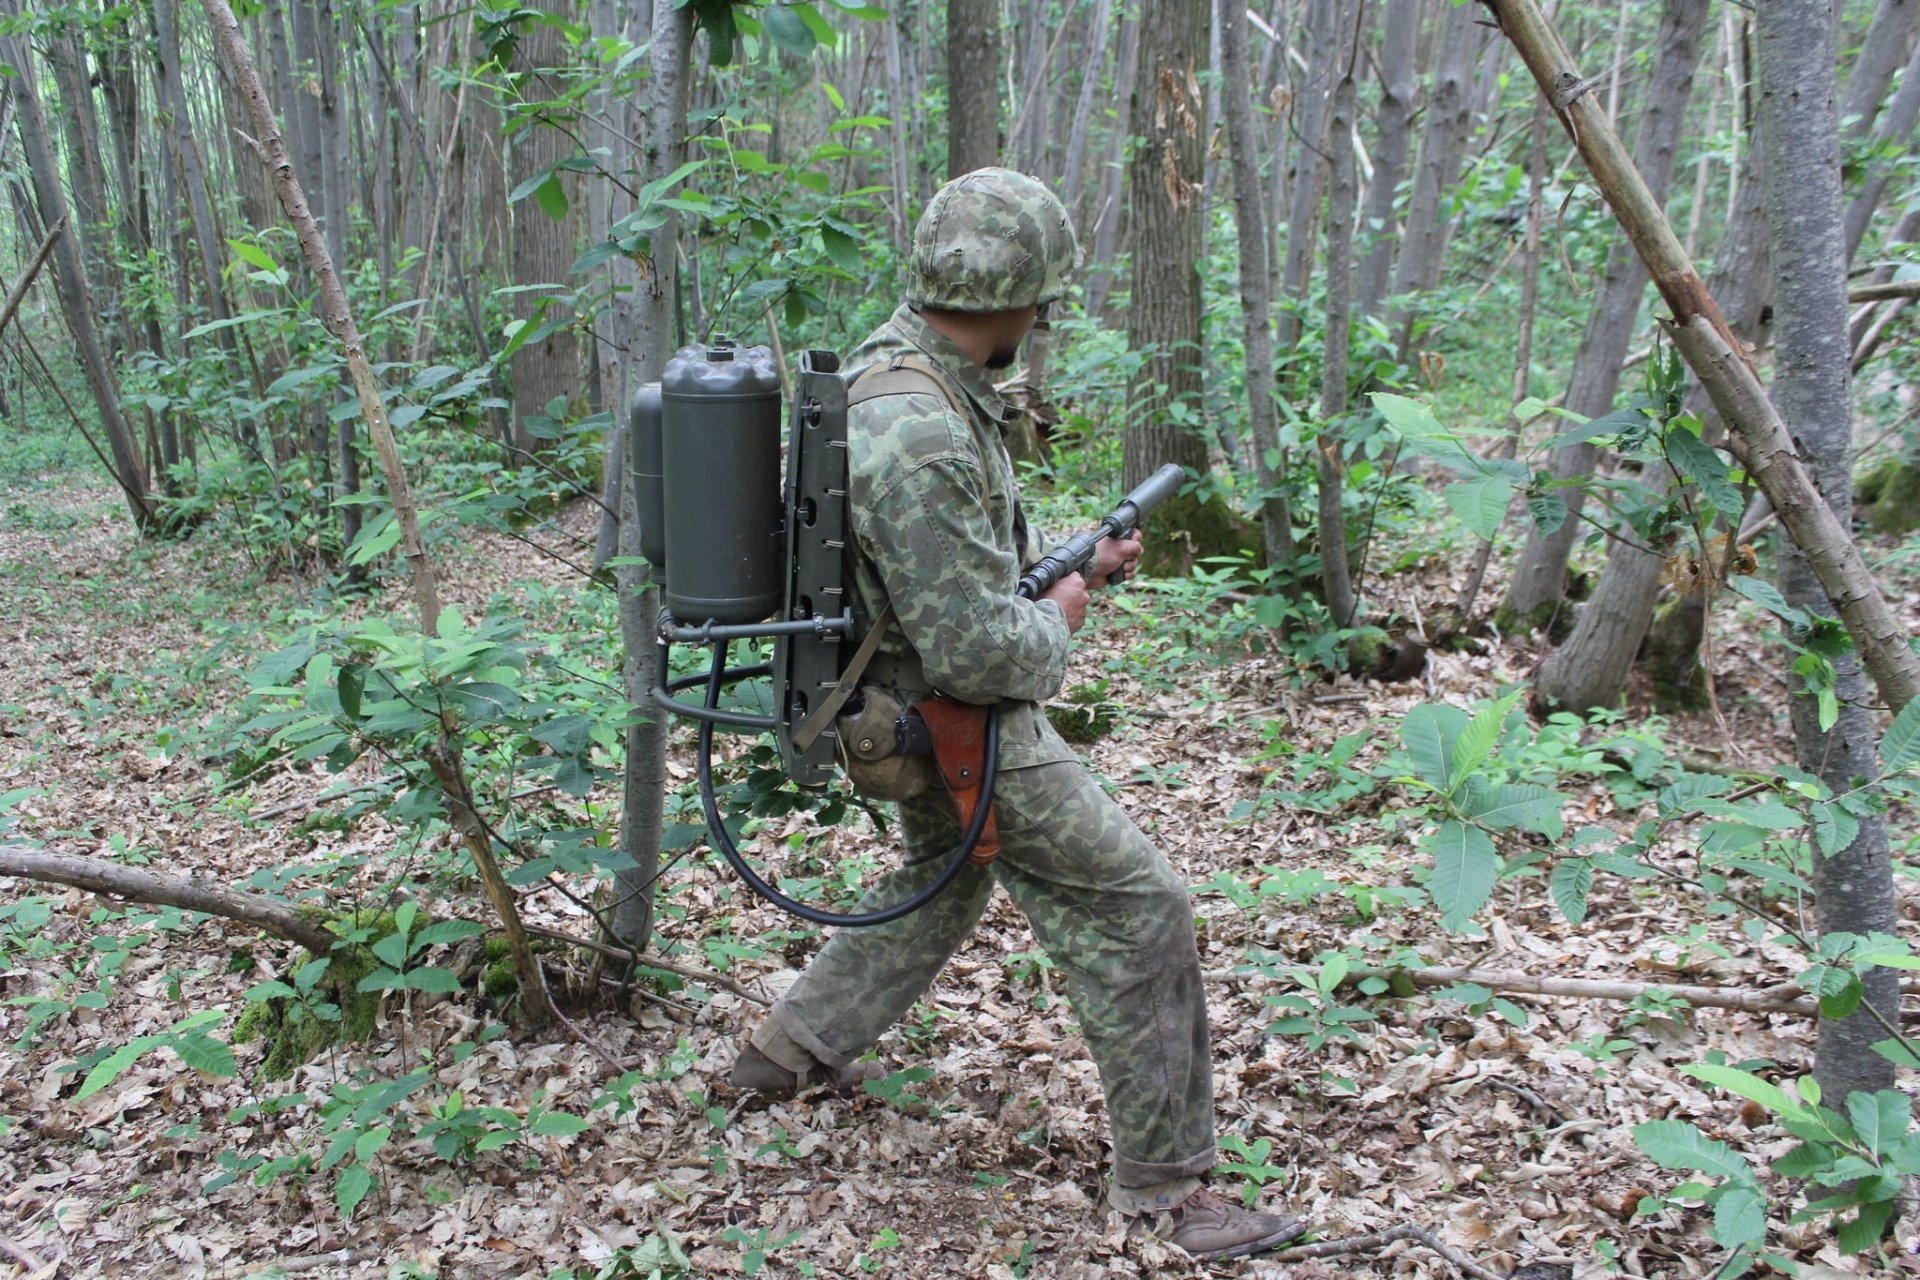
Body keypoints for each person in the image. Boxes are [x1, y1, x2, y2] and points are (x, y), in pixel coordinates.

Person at [727, 168, 1306, 1262]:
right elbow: (981, 652)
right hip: (949, 721)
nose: (1041, 319)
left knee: (944, 880)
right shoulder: (924, 431)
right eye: (1041, 302)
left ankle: (784, 1056)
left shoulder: (897, 373)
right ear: (1018, 298)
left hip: (902, 704)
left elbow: (952, 579)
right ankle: (1171, 1195)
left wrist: (1070, 571)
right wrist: (1062, 615)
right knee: (1141, 907)